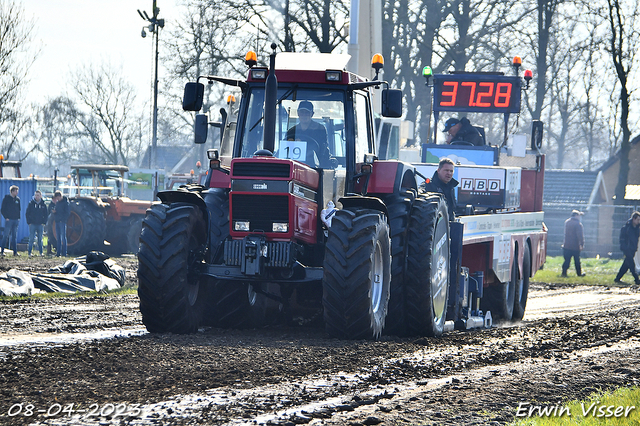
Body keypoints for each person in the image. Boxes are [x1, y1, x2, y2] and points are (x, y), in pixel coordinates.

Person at [286, 100, 332, 167]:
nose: (304, 115)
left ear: (312, 114)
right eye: (302, 112)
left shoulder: (320, 129)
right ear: (298, 113)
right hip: (294, 166)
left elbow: (323, 150)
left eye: (307, 113)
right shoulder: (291, 132)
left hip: (316, 167)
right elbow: (286, 150)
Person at [614, 211, 640, 285]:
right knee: (632, 265)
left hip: (633, 249)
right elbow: (622, 239)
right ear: (633, 219)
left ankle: (617, 278)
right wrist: (625, 248)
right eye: (638, 220)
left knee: (626, 265)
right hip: (627, 249)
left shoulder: (637, 229)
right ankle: (636, 279)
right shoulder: (626, 228)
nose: (639, 221)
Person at [561, 209, 585, 277]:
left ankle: (564, 273)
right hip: (575, 246)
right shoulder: (578, 224)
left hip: (566, 245)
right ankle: (579, 274)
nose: (579, 217)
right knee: (577, 261)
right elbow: (580, 235)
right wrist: (582, 244)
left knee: (567, 260)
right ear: (576, 215)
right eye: (579, 215)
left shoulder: (567, 222)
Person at [26, 190, 48, 257]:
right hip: (32, 224)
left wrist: (44, 222)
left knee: (40, 239)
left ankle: (41, 253)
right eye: (35, 195)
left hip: (40, 224)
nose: (37, 197)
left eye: (38, 195)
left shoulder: (43, 205)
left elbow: (46, 214)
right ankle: (29, 253)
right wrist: (29, 222)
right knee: (31, 239)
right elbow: (27, 213)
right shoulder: (31, 204)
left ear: (40, 196)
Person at [1, 185, 21, 256]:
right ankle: (2, 251)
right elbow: (2, 209)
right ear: (12, 191)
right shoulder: (6, 199)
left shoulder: (17, 199)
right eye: (15, 191)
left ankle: (15, 252)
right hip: (9, 220)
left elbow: (19, 209)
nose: (17, 192)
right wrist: (6, 217)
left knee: (14, 236)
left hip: (16, 220)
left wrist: (18, 218)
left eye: (17, 191)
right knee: (5, 235)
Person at [50, 190, 70, 257]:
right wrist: (54, 212)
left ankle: (64, 253)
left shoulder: (66, 203)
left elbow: (67, 213)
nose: (57, 199)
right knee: (58, 238)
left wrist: (63, 219)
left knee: (63, 238)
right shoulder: (58, 203)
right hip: (57, 222)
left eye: (58, 198)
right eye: (56, 198)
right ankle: (58, 253)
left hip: (62, 222)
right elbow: (57, 212)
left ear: (60, 196)